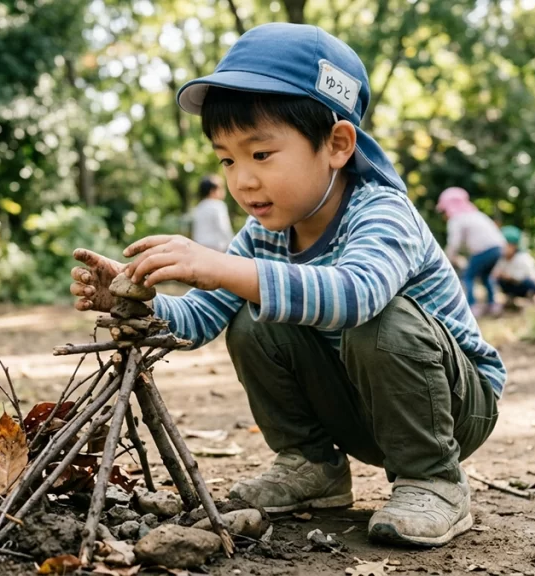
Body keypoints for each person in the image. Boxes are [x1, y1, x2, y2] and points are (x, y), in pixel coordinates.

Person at [69, 23, 504, 547]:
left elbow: (357, 295)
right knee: (250, 321)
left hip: (454, 407)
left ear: (338, 144)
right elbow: (204, 315)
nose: (242, 180)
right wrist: (137, 303)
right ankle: (312, 464)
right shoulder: (262, 234)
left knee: (376, 320)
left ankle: (434, 479)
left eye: (261, 154)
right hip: (360, 407)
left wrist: (219, 266)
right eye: (227, 159)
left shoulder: (382, 212)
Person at [436, 187, 506, 316]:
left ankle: (472, 306)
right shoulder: (476, 214)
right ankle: (493, 304)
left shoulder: (456, 219)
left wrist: (445, 260)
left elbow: (454, 243)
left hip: (485, 250)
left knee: (467, 276)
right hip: (498, 247)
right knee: (486, 276)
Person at [492, 226, 535, 309]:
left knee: (527, 281)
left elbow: (524, 276)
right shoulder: (502, 260)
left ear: (513, 246)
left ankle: (531, 295)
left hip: (527, 284)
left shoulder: (523, 258)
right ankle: (510, 297)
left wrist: (508, 276)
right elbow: (494, 274)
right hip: (512, 285)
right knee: (500, 280)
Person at [189, 174, 234, 252]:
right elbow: (224, 228)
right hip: (217, 249)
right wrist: (233, 244)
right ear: (212, 191)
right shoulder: (218, 205)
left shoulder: (199, 207)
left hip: (200, 247)